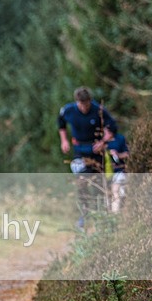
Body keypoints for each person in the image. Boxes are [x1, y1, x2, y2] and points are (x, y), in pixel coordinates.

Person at [58, 86, 118, 229]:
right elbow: (61, 123)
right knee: (81, 182)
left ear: (90, 101)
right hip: (79, 152)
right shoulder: (68, 110)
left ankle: (101, 214)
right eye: (81, 104)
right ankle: (84, 214)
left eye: (86, 104)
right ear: (77, 102)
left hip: (96, 152)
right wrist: (64, 140)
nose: (84, 108)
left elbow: (112, 128)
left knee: (98, 182)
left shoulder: (99, 110)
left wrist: (103, 142)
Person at [103, 126, 129, 213]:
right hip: (106, 173)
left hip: (119, 171)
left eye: (105, 133)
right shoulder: (102, 143)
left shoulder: (120, 139)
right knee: (109, 195)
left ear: (110, 133)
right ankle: (111, 213)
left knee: (116, 193)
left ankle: (116, 214)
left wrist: (117, 155)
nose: (104, 135)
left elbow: (127, 154)